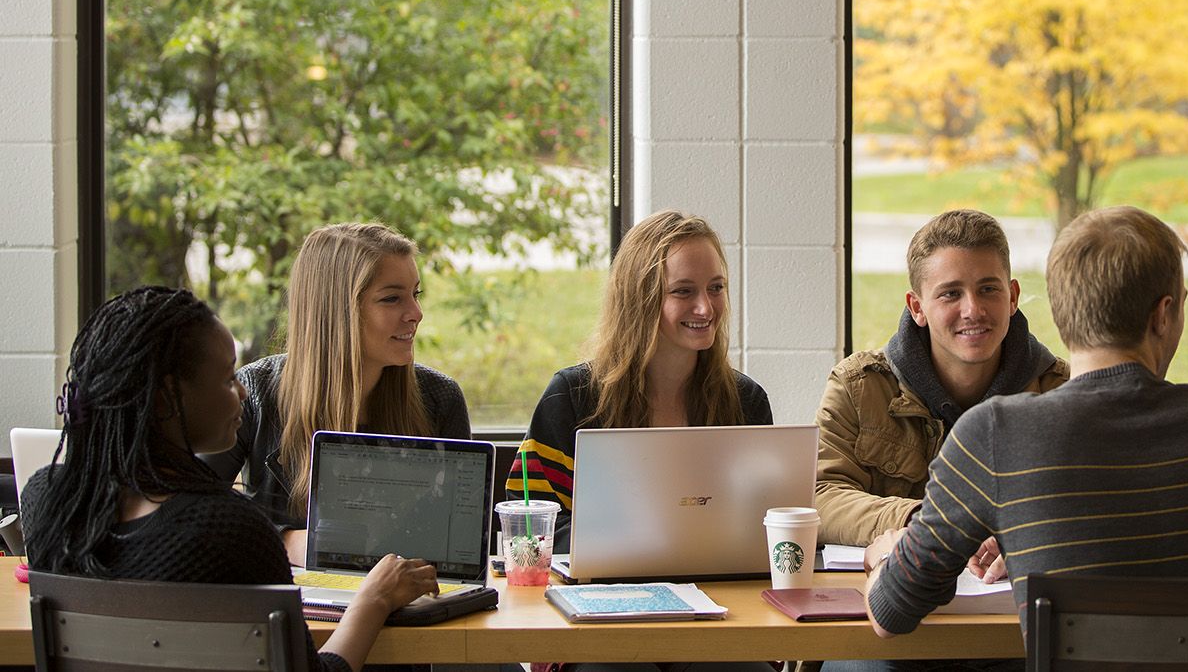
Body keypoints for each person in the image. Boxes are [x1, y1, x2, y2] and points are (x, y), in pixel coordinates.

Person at [862, 206, 1188, 639]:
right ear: (1164, 314)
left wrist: (887, 556)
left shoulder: (995, 433)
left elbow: (891, 616)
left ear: (1059, 311)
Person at [22, 286, 438, 672]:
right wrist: (374, 598)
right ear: (168, 397)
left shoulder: (49, 501)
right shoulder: (226, 530)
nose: (242, 392)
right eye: (227, 378)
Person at [203, 223, 471, 564]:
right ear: (337, 310)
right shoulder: (254, 392)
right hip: (292, 606)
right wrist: (286, 543)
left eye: (415, 294)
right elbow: (188, 515)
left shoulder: (440, 399)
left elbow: (459, 541)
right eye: (392, 298)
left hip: (411, 603)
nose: (416, 314)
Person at [508, 210, 773, 551]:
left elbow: (762, 524)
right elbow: (528, 524)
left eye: (716, 288)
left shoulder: (746, 401)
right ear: (639, 298)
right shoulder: (571, 397)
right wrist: (642, 545)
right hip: (600, 596)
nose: (706, 308)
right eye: (683, 291)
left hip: (723, 595)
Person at [816, 209, 1069, 550]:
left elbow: (1097, 502)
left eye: (988, 289)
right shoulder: (857, 387)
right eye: (951, 293)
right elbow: (822, 496)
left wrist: (1018, 533)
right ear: (917, 307)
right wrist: (925, 522)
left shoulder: (1063, 392)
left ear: (1012, 297)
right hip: (894, 590)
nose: (973, 309)